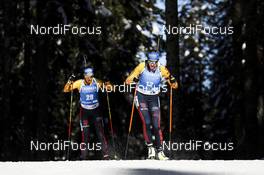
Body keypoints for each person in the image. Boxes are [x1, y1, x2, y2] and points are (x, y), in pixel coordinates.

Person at [125, 51, 178, 160]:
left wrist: (172, 80)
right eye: (150, 62)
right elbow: (127, 81)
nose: (153, 65)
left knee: (156, 125)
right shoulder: (141, 66)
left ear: (157, 62)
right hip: (141, 96)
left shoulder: (162, 69)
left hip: (154, 98)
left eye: (155, 62)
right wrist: (134, 79)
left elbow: (175, 85)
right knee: (147, 122)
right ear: (147, 61)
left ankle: (160, 151)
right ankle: (151, 149)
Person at [63, 67, 112, 160]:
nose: (90, 78)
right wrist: (69, 81)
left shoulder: (97, 82)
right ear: (85, 76)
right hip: (84, 111)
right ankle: (83, 157)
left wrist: (107, 81)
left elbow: (109, 89)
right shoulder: (79, 83)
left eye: (91, 76)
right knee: (85, 135)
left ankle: (106, 155)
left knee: (100, 133)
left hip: (96, 110)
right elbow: (66, 89)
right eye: (89, 76)